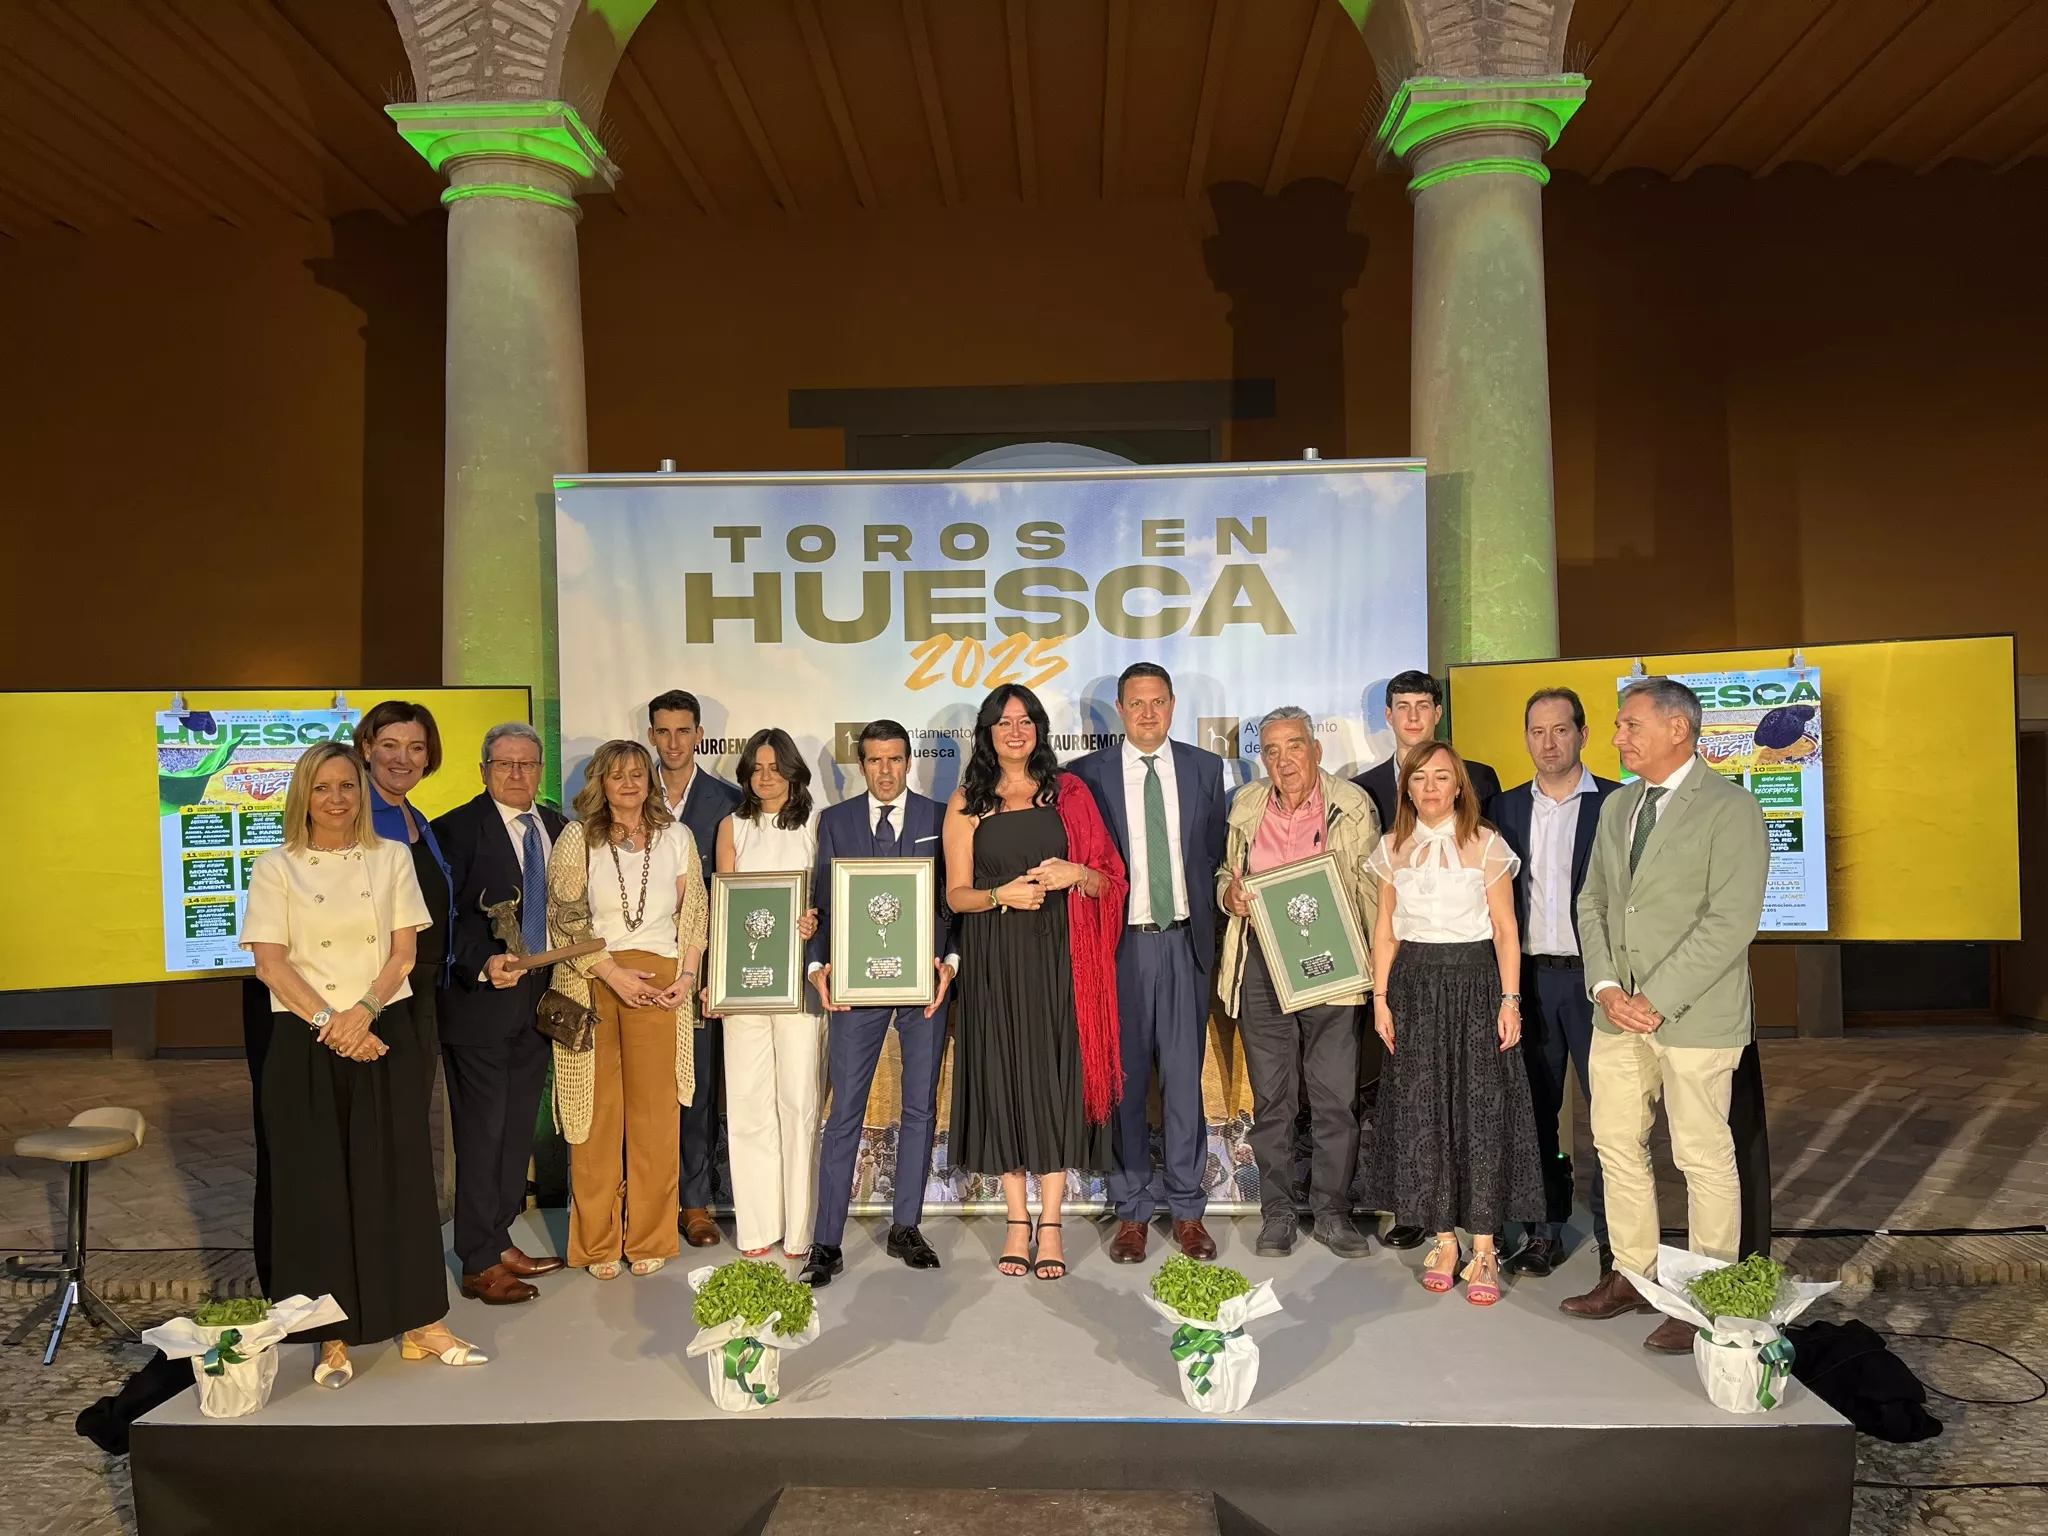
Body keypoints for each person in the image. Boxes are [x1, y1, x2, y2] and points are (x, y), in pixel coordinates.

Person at [239, 741, 483, 1388]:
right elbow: (270, 963)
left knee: (398, 1177)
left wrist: (364, 1013)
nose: (337, 798)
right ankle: (331, 1336)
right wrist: (333, 1025)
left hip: (383, 1024)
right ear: (303, 796)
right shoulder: (275, 867)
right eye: (322, 788)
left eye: (347, 785)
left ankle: (422, 1323)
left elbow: (404, 952)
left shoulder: (392, 858)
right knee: (317, 1187)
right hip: (304, 1035)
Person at [1561, 678, 1769, 1353]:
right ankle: (1632, 1275)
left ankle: (1707, 1298)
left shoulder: (1731, 809)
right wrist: (1604, 988)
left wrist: (1656, 996)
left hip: (1695, 1018)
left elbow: (1731, 920)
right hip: (1615, 1014)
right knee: (1615, 1147)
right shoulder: (1619, 805)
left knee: (1702, 1156)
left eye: (1629, 725)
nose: (1617, 737)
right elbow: (1592, 900)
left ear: (1678, 728)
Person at [943, 684, 1128, 1281]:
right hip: (995, 957)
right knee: (1006, 1078)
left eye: (1024, 721)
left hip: (1061, 960)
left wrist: (1076, 872)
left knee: (1052, 1078)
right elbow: (956, 894)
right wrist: (1001, 894)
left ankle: (1051, 1222)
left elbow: (1108, 880)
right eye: (1003, 722)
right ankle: (1015, 1219)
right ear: (988, 733)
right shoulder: (967, 800)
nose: (1014, 731)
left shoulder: (1069, 793)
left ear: (1039, 729)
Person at [1362, 742, 1545, 1304]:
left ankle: (1485, 1244)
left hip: (1474, 983)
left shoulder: (1487, 844)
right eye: (1420, 778)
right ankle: (1444, 1239)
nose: (1431, 787)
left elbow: (1506, 930)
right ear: (1408, 788)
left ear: (1460, 784)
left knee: (1481, 1109)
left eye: (1442, 777)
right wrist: (1381, 997)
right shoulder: (1391, 847)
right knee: (1424, 1111)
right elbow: (1386, 932)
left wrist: (1509, 1000)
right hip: (1414, 986)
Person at [1069, 663, 1227, 1264]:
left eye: (1158, 702)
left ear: (1173, 704)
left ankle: (1187, 1210)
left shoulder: (1205, 768)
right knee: (1126, 1083)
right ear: (1118, 707)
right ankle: (1131, 1208)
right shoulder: (1087, 776)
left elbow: (1213, 855)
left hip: (1185, 943)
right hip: (1121, 947)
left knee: (1184, 1084)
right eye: (1135, 704)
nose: (1147, 714)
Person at [1216, 706, 1379, 1259]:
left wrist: (1376, 972)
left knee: (1335, 1096)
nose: (1283, 760)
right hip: (1262, 962)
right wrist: (1228, 895)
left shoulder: (1351, 805)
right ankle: (1277, 1214)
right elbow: (1226, 873)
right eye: (1271, 750)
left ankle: (1333, 1213)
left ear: (1316, 748)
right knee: (1273, 1100)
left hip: (1332, 965)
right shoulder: (1247, 804)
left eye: (1293, 747)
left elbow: (1371, 892)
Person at [799, 719, 957, 1286]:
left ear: (908, 761)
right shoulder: (835, 821)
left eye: (895, 760)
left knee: (919, 1108)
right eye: (874, 761)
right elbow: (820, 903)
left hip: (924, 991)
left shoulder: (940, 819)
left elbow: (953, 903)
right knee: (844, 1114)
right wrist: (817, 966)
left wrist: (951, 963)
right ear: (860, 765)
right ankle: (826, 1242)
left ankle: (906, 1227)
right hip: (856, 992)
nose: (885, 771)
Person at [545, 739, 707, 1279]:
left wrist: (686, 977)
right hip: (592, 980)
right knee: (594, 1116)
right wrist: (611, 972)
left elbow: (695, 916)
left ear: (650, 780)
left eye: (638, 773)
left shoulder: (677, 837)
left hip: (660, 986)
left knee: (655, 1117)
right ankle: (596, 1244)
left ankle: (650, 1237)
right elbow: (566, 917)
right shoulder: (575, 839)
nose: (630, 783)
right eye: (617, 775)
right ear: (600, 783)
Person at [1353, 669, 1500, 1251]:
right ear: (1387, 716)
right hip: (1407, 966)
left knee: (1476, 1098)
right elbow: (1378, 904)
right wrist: (1379, 988)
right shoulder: (1364, 788)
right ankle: (1421, 1213)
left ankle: (1485, 1225)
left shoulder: (1482, 780)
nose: (1412, 717)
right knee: (1415, 1097)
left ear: (1436, 713)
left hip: (1473, 968)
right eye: (1401, 707)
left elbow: (1494, 885)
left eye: (1422, 706)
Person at [431, 721, 570, 1305]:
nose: (517, 774)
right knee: (482, 1135)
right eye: (504, 764)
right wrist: (483, 961)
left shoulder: (558, 827)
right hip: (479, 1007)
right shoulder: (454, 831)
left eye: (527, 764)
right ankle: (477, 1261)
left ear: (540, 770)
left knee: (517, 1134)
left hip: (538, 1007)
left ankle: (500, 1237)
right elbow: (441, 920)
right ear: (483, 769)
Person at [1490, 688, 1619, 1277]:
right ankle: (1543, 1231)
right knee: (1536, 1112)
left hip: (1601, 983)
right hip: (1533, 982)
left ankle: (1622, 1242)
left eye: (1560, 730)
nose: (1548, 743)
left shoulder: (1617, 805)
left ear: (1582, 734)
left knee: (1613, 1116)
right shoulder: (1506, 809)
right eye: (1537, 732)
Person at [711, 728, 823, 1258]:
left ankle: (801, 1227)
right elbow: (721, 911)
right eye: (757, 768)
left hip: (801, 984)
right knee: (750, 1102)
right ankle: (757, 1226)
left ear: (793, 772)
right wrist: (716, 975)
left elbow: (827, 901)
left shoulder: (816, 826)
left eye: (775, 767)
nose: (766, 776)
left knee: (799, 1102)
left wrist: (812, 919)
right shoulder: (731, 828)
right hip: (744, 986)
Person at [649, 689, 742, 1248]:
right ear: (651, 735)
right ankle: (647, 1199)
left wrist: (716, 975)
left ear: (700, 734)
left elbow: (739, 898)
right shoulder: (627, 796)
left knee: (700, 1089)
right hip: (640, 968)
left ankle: (696, 1201)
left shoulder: (728, 801)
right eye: (663, 731)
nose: (674, 742)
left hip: (702, 973)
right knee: (644, 1090)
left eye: (684, 731)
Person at [354, 702, 453, 1095]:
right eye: (390, 745)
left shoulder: (416, 816)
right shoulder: (358, 817)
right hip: (379, 991)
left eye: (416, 747)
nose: (403, 758)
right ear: (366, 748)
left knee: (410, 1102)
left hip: (421, 989)